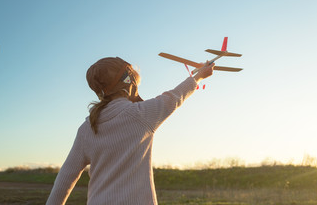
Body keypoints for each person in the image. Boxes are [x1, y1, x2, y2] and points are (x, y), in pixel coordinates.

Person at [46, 57, 215, 205]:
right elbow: (176, 96)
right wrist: (199, 75)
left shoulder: (86, 128)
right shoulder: (141, 115)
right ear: (129, 81)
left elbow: (64, 180)